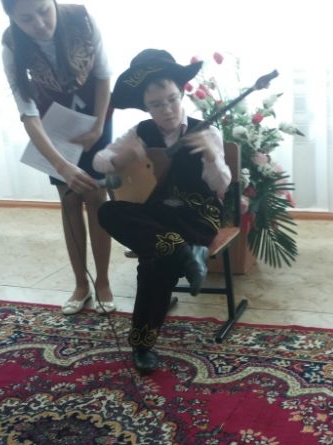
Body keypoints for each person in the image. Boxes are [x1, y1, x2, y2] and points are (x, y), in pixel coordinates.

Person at [92, 49, 231, 373]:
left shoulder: (206, 131)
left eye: (171, 99)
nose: (167, 110)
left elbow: (222, 184)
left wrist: (211, 156)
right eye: (156, 104)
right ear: (145, 106)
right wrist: (121, 158)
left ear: (181, 93)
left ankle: (142, 344)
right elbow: (99, 161)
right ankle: (184, 253)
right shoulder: (140, 132)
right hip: (158, 215)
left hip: (197, 215)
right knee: (108, 212)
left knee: (155, 261)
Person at [1, 0, 115, 315]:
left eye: (43, 11)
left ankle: (103, 282)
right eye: (26, 19)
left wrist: (97, 127)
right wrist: (61, 165)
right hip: (55, 126)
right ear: (12, 17)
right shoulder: (11, 45)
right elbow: (28, 113)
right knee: (69, 200)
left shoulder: (82, 17)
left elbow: (104, 76)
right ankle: (81, 284)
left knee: (96, 197)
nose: (39, 23)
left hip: (95, 116)